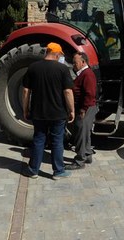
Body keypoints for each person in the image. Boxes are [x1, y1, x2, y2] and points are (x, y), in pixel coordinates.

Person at [22, 42, 75, 179]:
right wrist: (72, 110)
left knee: (38, 140)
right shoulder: (62, 69)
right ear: (56, 54)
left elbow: (26, 91)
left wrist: (25, 109)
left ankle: (33, 170)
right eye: (60, 55)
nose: (59, 57)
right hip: (58, 112)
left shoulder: (33, 67)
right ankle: (58, 171)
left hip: (38, 112)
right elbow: (68, 92)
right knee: (57, 141)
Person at [66, 51, 97, 170]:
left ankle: (79, 161)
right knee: (85, 133)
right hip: (85, 107)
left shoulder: (87, 74)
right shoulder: (82, 74)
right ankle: (87, 155)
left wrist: (83, 109)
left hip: (85, 108)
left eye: (75, 63)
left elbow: (90, 94)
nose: (73, 65)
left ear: (83, 62)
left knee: (81, 133)